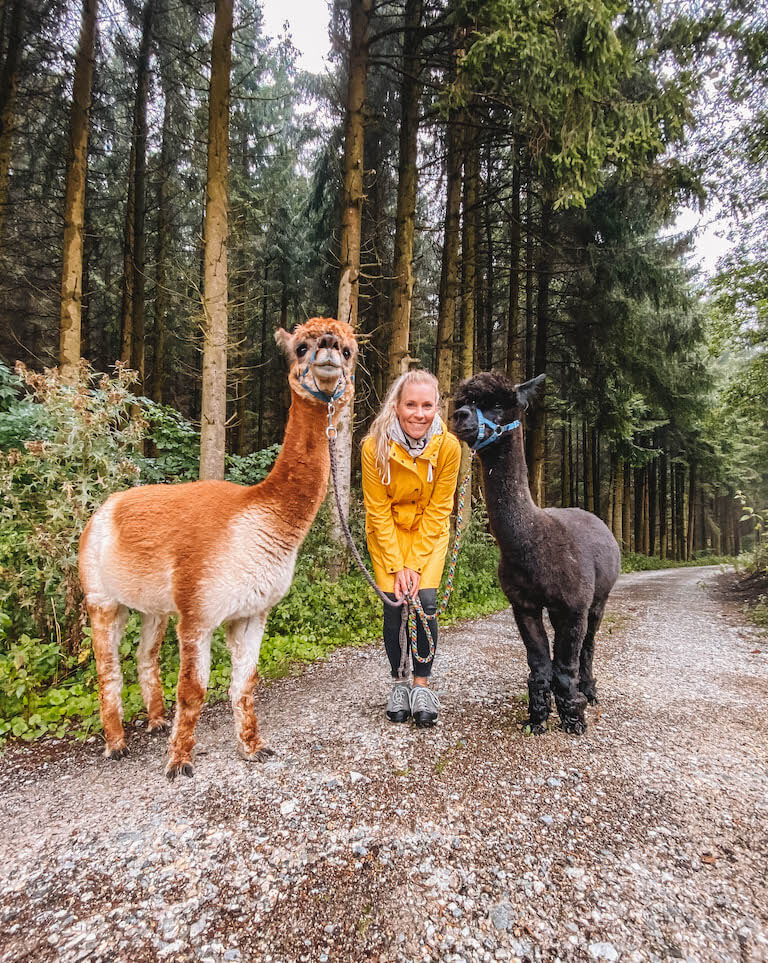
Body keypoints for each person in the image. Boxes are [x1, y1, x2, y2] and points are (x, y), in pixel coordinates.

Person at [361, 369, 461, 726]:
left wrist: (415, 565)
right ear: (397, 406)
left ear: (437, 407)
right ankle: (398, 683)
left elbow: (440, 509)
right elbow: (376, 508)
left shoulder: (448, 447)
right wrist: (397, 564)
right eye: (411, 405)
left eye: (427, 405)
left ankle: (422, 685)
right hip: (387, 534)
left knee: (425, 603)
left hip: (428, 535)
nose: (419, 413)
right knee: (396, 605)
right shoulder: (374, 447)